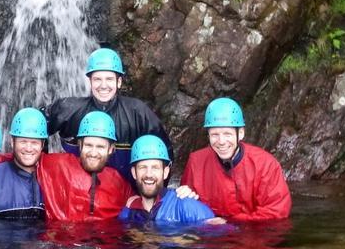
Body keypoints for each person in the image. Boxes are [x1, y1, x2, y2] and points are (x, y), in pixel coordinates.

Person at [43, 47, 171, 180]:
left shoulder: (138, 113)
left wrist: (157, 191)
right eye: (97, 79)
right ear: (90, 81)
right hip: (77, 189)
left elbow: (164, 154)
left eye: (109, 79)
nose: (103, 85)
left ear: (119, 82)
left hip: (125, 190)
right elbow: (35, 126)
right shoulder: (68, 109)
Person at [179, 98, 291, 221]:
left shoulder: (265, 165)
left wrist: (229, 223)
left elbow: (276, 212)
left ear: (241, 133)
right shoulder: (196, 162)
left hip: (251, 231)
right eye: (215, 135)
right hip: (208, 230)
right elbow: (186, 210)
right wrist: (185, 195)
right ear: (208, 135)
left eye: (227, 134)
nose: (221, 141)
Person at [35, 111, 133, 222]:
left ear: (111, 149)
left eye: (100, 147)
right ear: (80, 145)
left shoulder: (119, 183)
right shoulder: (57, 165)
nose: (93, 153)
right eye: (88, 145)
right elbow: (27, 157)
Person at [120, 135, 220, 224]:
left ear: (165, 172)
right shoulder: (128, 214)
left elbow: (217, 228)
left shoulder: (186, 205)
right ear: (134, 173)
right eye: (143, 167)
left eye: (155, 167)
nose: (149, 174)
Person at [0, 107, 47, 220]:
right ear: (12, 142)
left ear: (42, 145)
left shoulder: (54, 178)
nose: (28, 148)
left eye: (34, 142)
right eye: (23, 141)